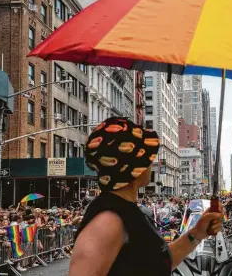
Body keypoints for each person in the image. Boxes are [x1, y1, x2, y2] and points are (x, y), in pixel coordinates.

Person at [69, 118, 223, 276]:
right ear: (133, 166)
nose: (152, 163)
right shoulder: (107, 221)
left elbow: (156, 263)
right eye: (147, 158)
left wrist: (198, 232)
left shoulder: (126, 211)